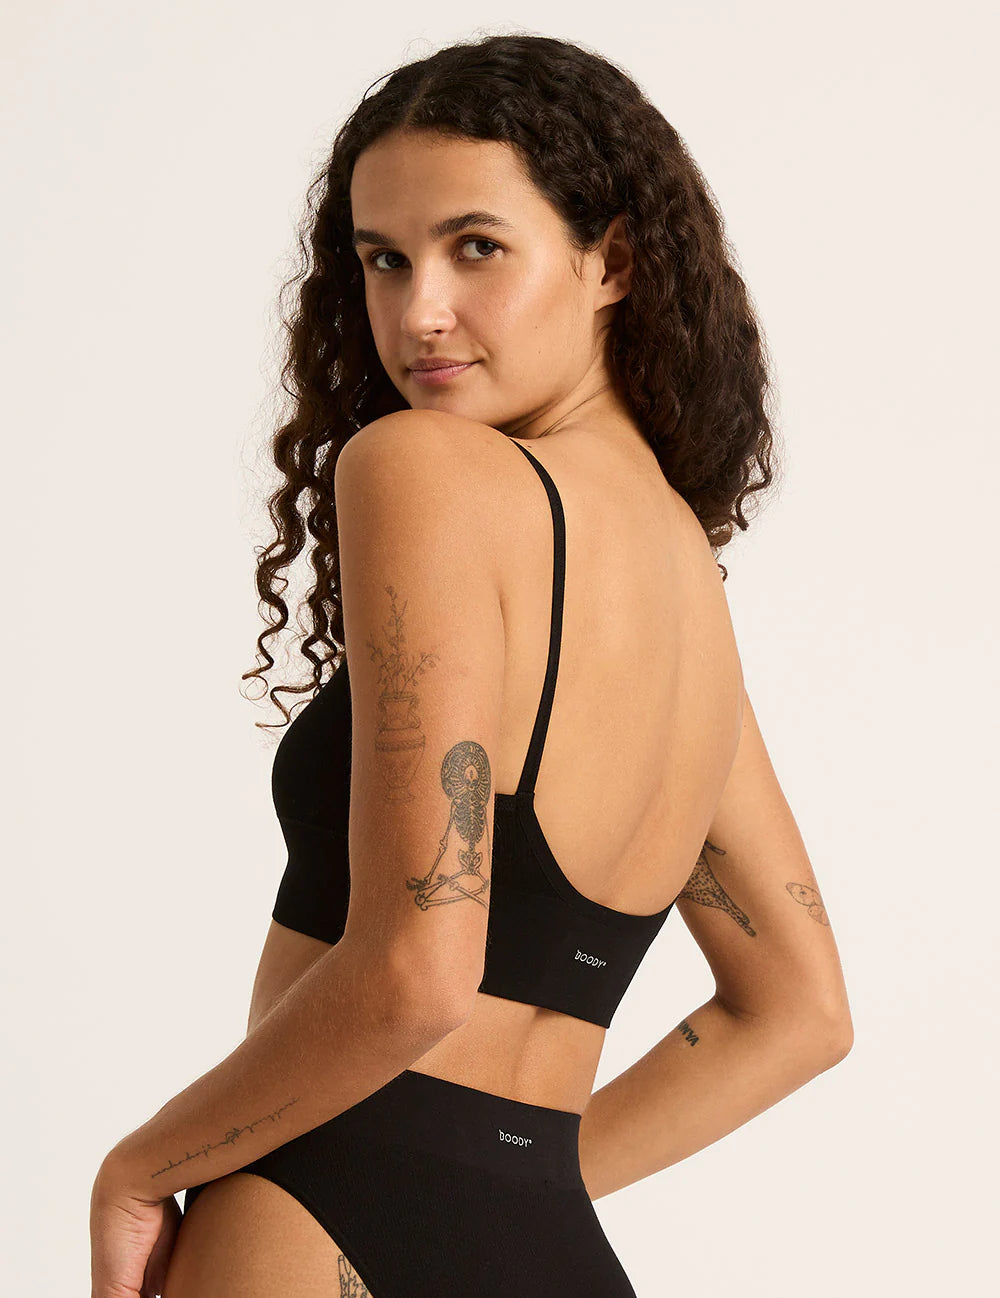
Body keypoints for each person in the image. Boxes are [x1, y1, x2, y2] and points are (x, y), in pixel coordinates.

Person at [89, 31, 853, 1298]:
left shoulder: (423, 466)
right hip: (541, 1245)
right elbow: (799, 1010)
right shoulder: (683, 578)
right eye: (383, 259)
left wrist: (139, 1166)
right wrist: (507, 1189)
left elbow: (419, 969)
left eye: (475, 247)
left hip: (320, 1209)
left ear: (611, 260)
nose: (418, 313)